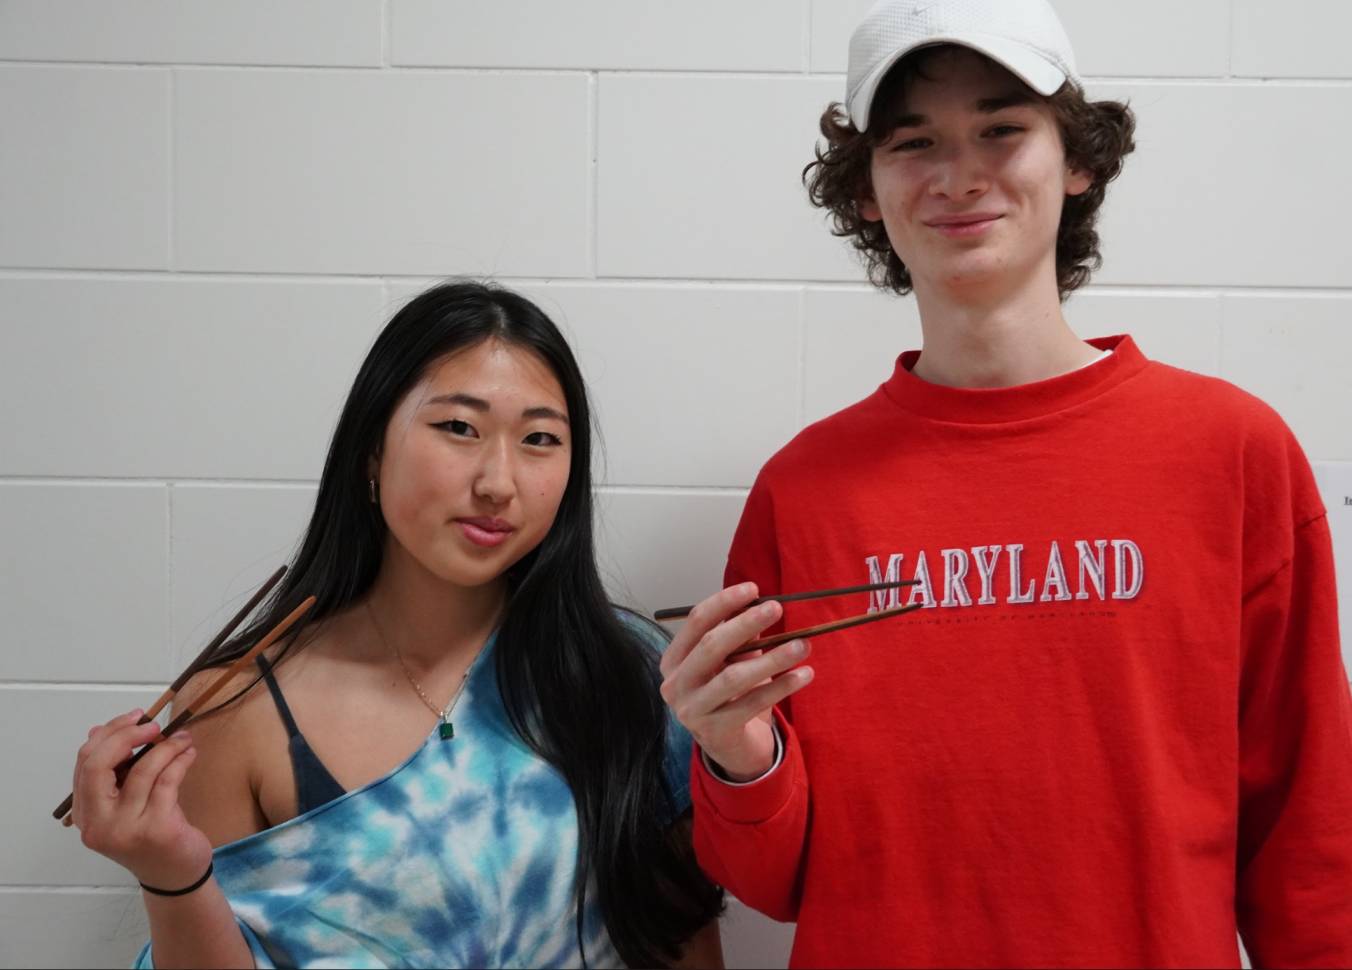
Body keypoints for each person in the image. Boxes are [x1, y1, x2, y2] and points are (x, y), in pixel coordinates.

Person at [658, 0, 1352, 966]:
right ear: (866, 189)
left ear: (1079, 161)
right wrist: (736, 752)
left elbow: (1311, 839)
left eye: (1001, 128)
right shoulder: (804, 489)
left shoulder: (1232, 452)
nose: (958, 174)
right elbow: (772, 885)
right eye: (913, 141)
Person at [69, 281, 724, 968]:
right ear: (371, 451)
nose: (498, 481)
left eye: (539, 439)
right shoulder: (238, 707)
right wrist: (170, 876)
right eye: (458, 428)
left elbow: (681, 941)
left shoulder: (629, 672)